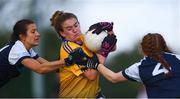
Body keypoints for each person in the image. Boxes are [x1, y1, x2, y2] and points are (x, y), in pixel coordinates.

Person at [77, 33, 180, 98]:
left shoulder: (140, 67)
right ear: (164, 45)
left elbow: (113, 78)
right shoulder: (178, 58)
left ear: (142, 49)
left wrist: (96, 64)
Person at [0, 19, 85, 88]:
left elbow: (48, 65)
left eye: (36, 31)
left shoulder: (27, 50)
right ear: (22, 36)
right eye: (33, 32)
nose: (38, 34)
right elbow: (40, 69)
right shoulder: (17, 49)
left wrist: (72, 66)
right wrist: (69, 60)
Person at [50, 10, 117, 98]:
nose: (75, 30)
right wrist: (104, 53)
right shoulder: (69, 49)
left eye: (76, 25)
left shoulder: (83, 38)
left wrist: (109, 31)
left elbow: (112, 48)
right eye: (69, 29)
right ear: (62, 33)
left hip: (95, 95)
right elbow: (91, 75)